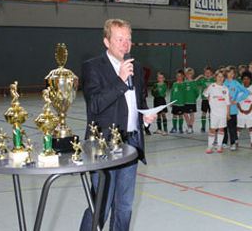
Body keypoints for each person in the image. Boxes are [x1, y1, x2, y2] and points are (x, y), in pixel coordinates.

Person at [79, 19, 156, 231]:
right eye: (119, 39)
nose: (125, 44)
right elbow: (94, 105)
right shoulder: (92, 67)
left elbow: (139, 103)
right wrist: (120, 81)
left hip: (131, 144)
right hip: (103, 146)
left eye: (128, 39)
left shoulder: (137, 68)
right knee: (100, 207)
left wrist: (145, 118)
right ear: (107, 41)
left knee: (124, 207)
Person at [203, 69, 230, 154]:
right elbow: (205, 94)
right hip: (214, 113)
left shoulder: (225, 88)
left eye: (222, 77)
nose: (220, 78)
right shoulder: (212, 86)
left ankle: (219, 146)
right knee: (213, 129)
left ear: (224, 78)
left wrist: (228, 113)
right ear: (215, 77)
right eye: (219, 77)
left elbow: (228, 102)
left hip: (223, 112)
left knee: (221, 129)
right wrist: (211, 102)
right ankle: (210, 146)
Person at [223, 66, 249, 150]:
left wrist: (237, 100)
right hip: (223, 109)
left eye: (232, 73)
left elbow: (246, 91)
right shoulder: (223, 82)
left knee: (232, 127)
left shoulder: (236, 83)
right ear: (226, 73)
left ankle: (233, 143)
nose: (231, 74)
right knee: (224, 127)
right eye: (229, 72)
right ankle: (224, 142)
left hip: (233, 110)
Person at [237, 72, 252, 148]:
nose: (246, 81)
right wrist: (240, 109)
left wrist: (249, 110)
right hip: (240, 112)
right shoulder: (239, 88)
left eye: (248, 79)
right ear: (242, 80)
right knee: (238, 127)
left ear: (250, 80)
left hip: (250, 111)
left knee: (251, 127)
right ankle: (236, 141)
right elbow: (237, 101)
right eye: (244, 79)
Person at [195, 66, 216, 133]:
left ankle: (211, 126)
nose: (207, 74)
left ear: (211, 73)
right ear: (204, 73)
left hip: (212, 99)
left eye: (209, 73)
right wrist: (199, 77)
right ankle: (203, 127)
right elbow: (194, 82)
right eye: (206, 73)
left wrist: (215, 77)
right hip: (204, 99)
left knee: (211, 113)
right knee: (204, 113)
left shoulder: (213, 80)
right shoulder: (203, 79)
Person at [170, 69, 186, 133]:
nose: (179, 77)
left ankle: (180, 128)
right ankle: (174, 127)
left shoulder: (184, 84)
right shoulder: (174, 84)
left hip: (181, 103)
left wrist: (180, 84)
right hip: (175, 103)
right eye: (178, 76)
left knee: (180, 115)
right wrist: (171, 101)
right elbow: (172, 93)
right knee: (174, 115)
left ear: (183, 76)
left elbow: (183, 91)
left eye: (180, 76)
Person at [184, 68, 199, 134]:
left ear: (192, 75)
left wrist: (193, 98)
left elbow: (197, 92)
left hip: (192, 101)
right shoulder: (184, 82)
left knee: (191, 114)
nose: (188, 75)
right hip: (185, 102)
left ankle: (190, 127)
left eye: (190, 74)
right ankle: (188, 126)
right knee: (185, 114)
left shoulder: (193, 82)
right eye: (187, 74)